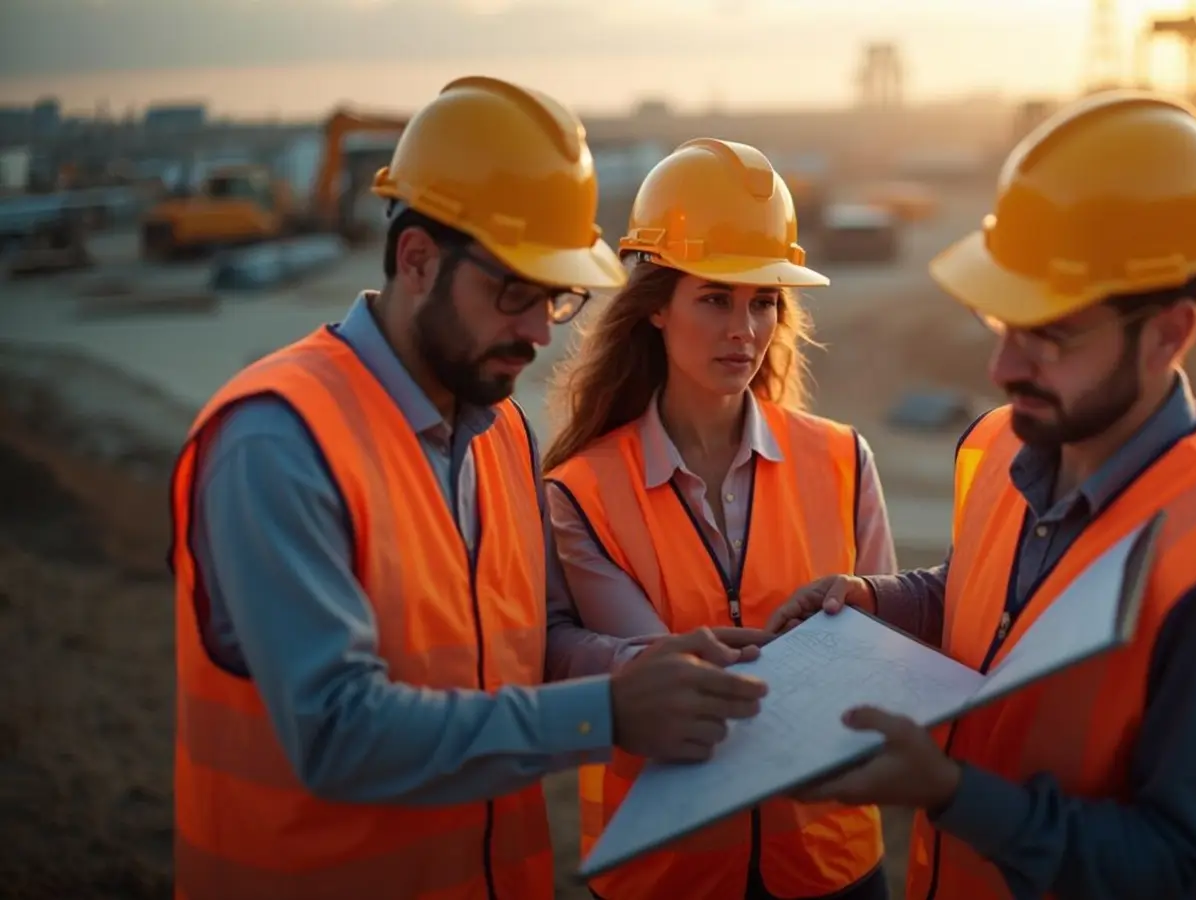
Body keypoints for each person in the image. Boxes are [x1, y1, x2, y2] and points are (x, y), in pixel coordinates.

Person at [167, 77, 771, 900]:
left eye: (555, 297)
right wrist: (612, 713)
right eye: (513, 293)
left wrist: (643, 666)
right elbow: (339, 732)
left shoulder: (500, 433)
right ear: (416, 258)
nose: (535, 332)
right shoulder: (279, 441)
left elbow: (524, 647)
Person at [767, 90, 1196, 900]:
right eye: (1002, 322)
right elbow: (996, 601)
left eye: (1052, 335)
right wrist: (877, 601)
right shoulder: (1016, 441)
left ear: (1171, 334)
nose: (1004, 370)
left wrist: (949, 793)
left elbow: (1183, 872)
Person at [541, 137, 898, 900]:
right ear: (655, 310)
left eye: (763, 301)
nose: (744, 329)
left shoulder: (843, 459)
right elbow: (619, 658)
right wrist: (638, 668)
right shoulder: (582, 491)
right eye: (715, 298)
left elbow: (884, 639)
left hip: (831, 859)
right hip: (666, 868)